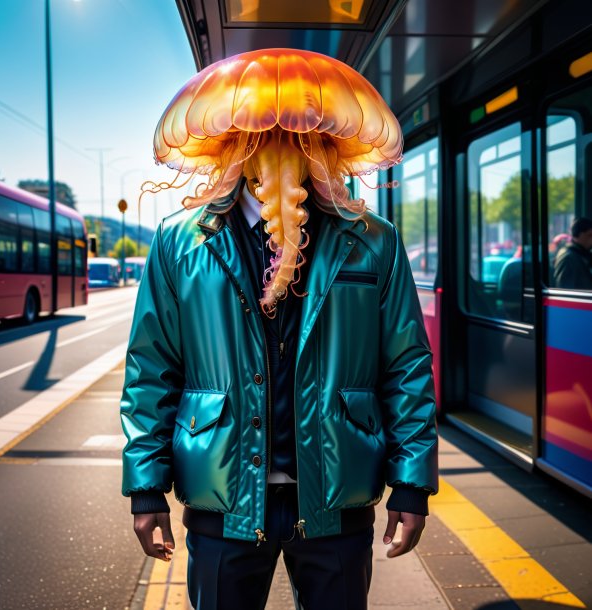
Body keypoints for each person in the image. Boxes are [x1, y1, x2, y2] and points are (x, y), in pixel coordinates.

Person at [120, 48, 438, 610]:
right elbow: (153, 368)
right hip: (223, 495)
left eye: (299, 128)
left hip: (336, 495)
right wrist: (146, 487)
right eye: (262, 128)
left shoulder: (374, 241)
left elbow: (406, 365)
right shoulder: (179, 243)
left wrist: (412, 482)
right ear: (233, 139)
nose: (281, 140)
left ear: (324, 139)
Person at [554, 217, 592, 290]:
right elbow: (566, 291)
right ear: (579, 235)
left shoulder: (582, 254)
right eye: (590, 235)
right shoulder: (568, 258)